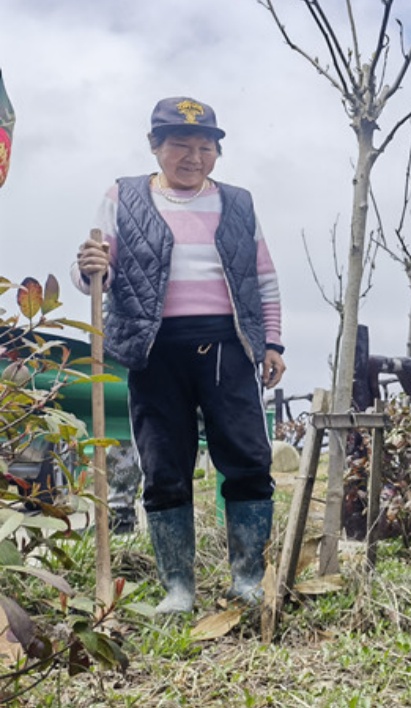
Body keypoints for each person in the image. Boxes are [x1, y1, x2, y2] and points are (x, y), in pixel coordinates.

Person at [73, 96, 285, 613]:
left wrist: (272, 342)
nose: (193, 157)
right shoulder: (123, 196)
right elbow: (95, 275)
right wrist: (87, 264)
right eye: (180, 145)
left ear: (216, 152)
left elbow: (263, 278)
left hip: (228, 348)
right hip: (154, 350)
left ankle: (248, 579)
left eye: (205, 147)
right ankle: (178, 589)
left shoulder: (238, 202)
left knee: (247, 459)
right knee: (164, 467)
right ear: (155, 146)